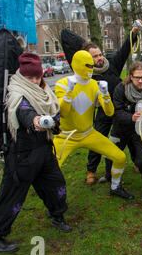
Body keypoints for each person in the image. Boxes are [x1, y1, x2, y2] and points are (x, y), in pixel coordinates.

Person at [0, 53, 71, 253]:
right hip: (22, 155)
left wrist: (53, 121)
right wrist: (36, 122)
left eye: (37, 77)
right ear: (23, 76)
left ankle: (57, 215)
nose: (34, 82)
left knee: (55, 185)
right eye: (30, 78)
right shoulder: (16, 92)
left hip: (44, 150)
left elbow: (54, 110)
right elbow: (24, 112)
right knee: (12, 196)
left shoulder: (44, 91)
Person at [53, 50, 133, 199]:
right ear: (77, 65)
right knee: (50, 170)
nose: (90, 69)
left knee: (120, 157)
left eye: (92, 65)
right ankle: (54, 203)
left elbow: (109, 112)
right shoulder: (62, 84)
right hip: (65, 136)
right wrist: (69, 91)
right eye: (87, 65)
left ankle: (115, 187)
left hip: (88, 133)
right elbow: (63, 112)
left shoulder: (95, 85)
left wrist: (105, 94)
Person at [83, 20, 142, 185]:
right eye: (95, 56)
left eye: (99, 54)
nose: (99, 58)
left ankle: (138, 162)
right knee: (97, 139)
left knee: (130, 137)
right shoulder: (86, 75)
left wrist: (134, 33)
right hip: (103, 111)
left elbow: (124, 50)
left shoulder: (112, 65)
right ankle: (91, 170)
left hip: (121, 108)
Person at [110, 61, 142, 200]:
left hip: (139, 130)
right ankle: (109, 178)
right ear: (130, 76)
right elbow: (116, 112)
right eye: (137, 77)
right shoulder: (121, 89)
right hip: (120, 129)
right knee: (111, 156)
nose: (141, 81)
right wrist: (130, 117)